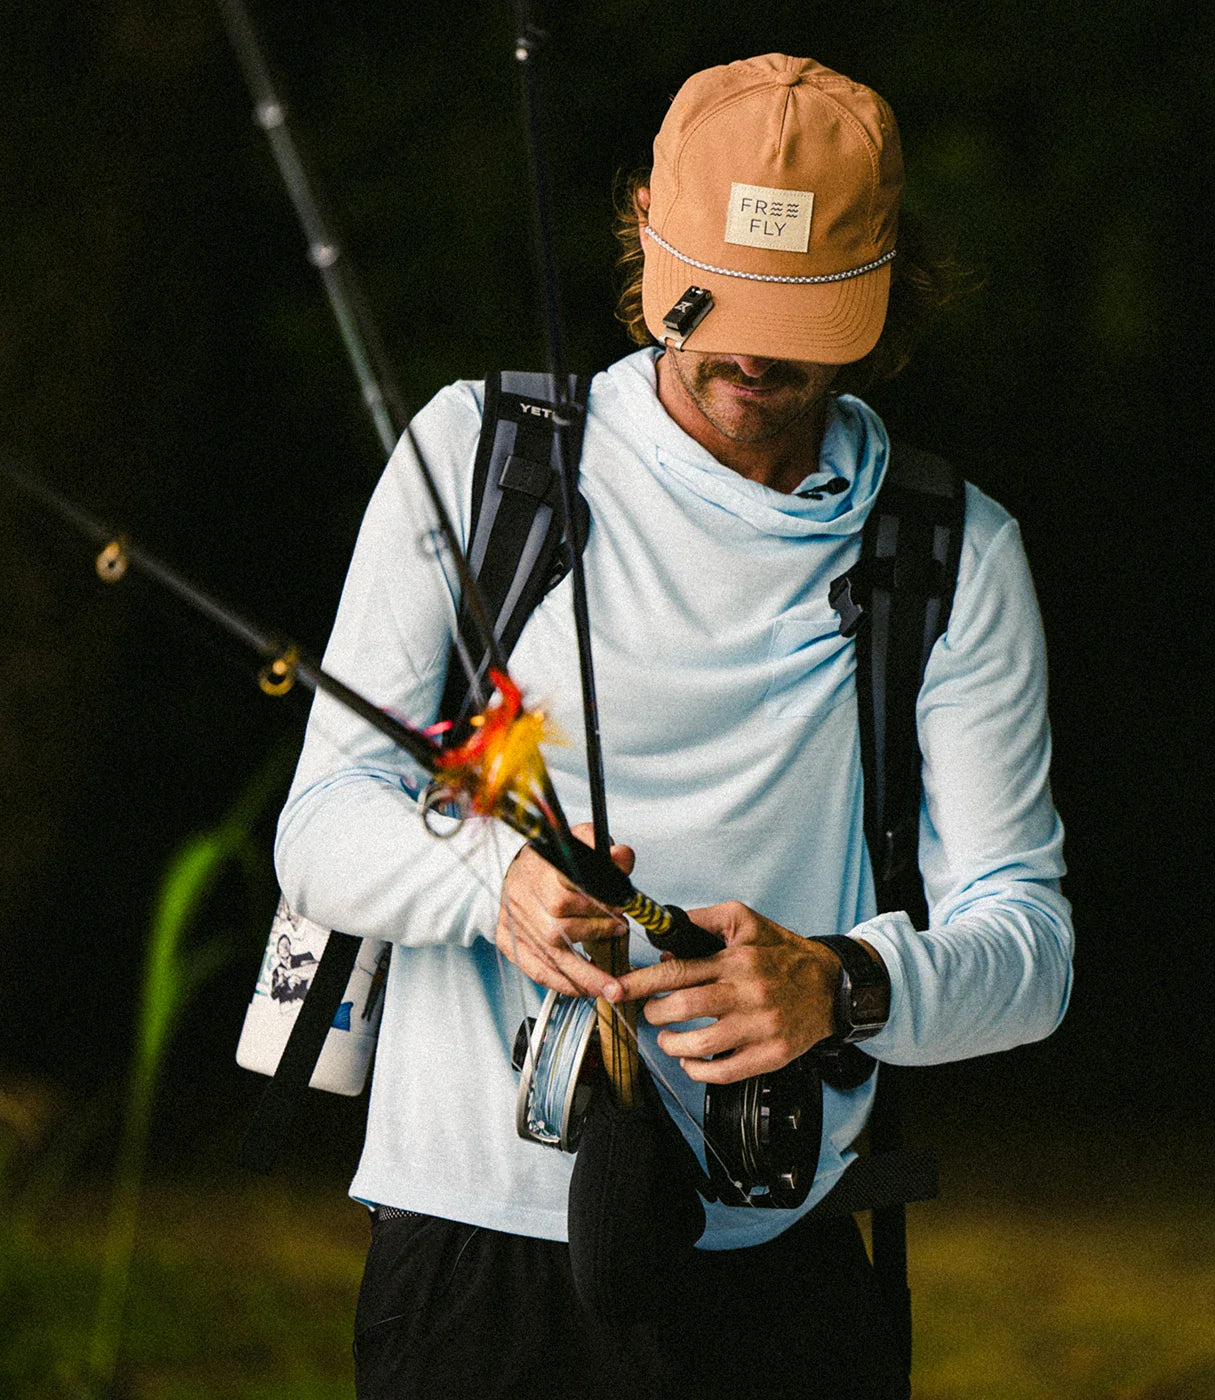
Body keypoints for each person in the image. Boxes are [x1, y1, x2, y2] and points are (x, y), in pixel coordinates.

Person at [275, 53, 1073, 1400]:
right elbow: (323, 829)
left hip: (790, 1257)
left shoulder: (955, 553)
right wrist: (498, 883)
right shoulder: (481, 457)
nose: (753, 353)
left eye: (800, 315)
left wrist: (845, 982)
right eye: (725, 300)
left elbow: (1030, 949)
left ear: (887, 295)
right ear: (648, 232)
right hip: (470, 1254)